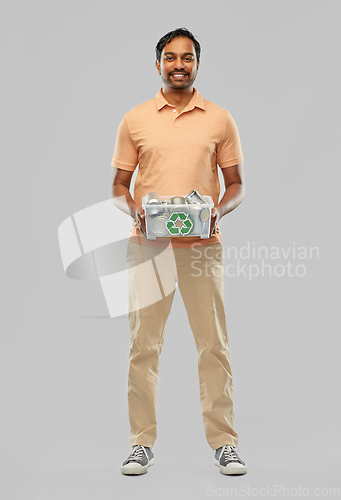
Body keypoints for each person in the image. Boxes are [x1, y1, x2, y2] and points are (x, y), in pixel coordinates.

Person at [110, 27, 247, 476]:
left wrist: (216, 213)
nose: (179, 65)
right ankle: (140, 443)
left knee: (214, 346)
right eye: (170, 57)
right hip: (148, 247)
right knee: (143, 347)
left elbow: (236, 185)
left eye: (187, 58)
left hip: (202, 248)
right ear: (158, 65)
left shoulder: (220, 119)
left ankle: (224, 442)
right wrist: (135, 212)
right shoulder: (135, 119)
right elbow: (118, 186)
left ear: (197, 64)